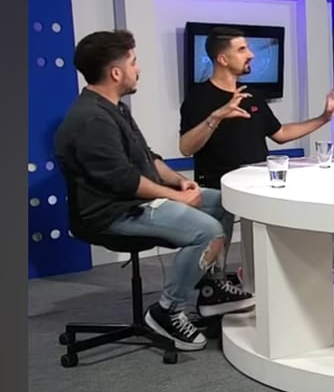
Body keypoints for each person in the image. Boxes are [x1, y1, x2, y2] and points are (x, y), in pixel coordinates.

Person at [55, 30, 255, 352]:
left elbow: (147, 158)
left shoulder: (115, 108)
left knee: (224, 202)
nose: (139, 69)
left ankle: (210, 288)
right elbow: (123, 181)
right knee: (208, 231)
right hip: (113, 213)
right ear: (116, 73)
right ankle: (167, 310)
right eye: (133, 62)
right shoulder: (92, 119)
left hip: (133, 201)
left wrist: (178, 181)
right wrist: (175, 197)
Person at [178, 26, 334, 280]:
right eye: (242, 49)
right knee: (213, 255)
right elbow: (186, 147)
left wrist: (323, 118)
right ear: (222, 59)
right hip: (217, 188)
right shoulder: (199, 97)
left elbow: (280, 133)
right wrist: (216, 116)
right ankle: (211, 290)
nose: (251, 54)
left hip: (259, 184)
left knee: (266, 250)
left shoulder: (252, 94)